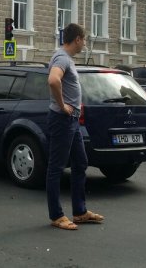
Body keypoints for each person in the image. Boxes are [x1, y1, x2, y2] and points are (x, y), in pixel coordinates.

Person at [46, 23, 104, 230]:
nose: (85, 44)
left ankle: (79, 212)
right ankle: (56, 215)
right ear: (77, 39)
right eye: (84, 40)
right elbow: (53, 80)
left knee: (80, 163)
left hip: (71, 121)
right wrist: (63, 106)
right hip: (63, 120)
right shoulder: (62, 58)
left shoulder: (65, 58)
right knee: (56, 167)